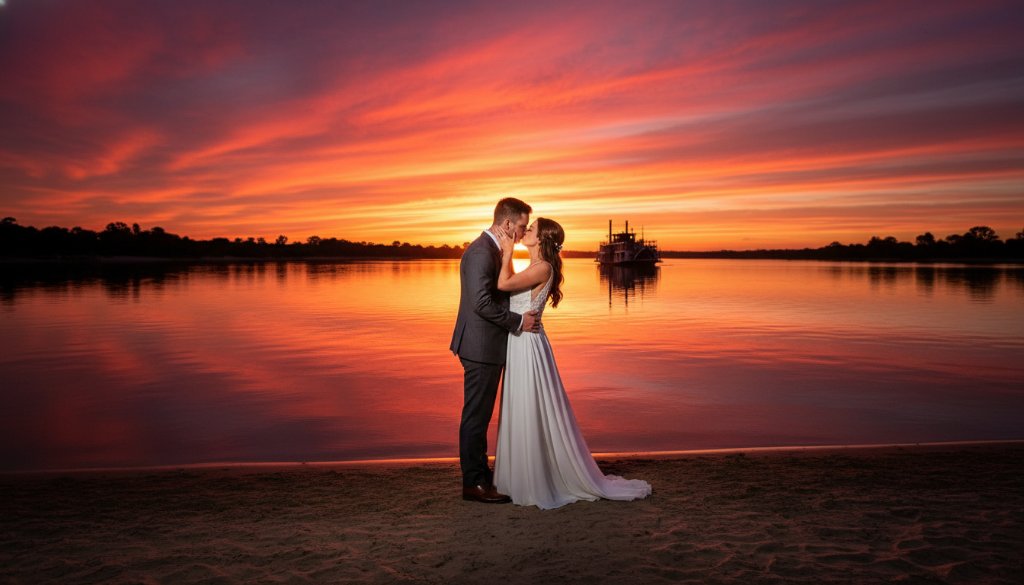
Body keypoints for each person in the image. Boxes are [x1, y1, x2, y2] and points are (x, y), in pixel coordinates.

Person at [492, 218, 652, 509]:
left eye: (531, 229)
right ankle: (523, 473)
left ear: (542, 240)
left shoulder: (543, 268)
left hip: (527, 344)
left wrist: (505, 251)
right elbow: (513, 292)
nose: (525, 232)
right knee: (524, 405)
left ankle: (536, 477)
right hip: (521, 340)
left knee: (530, 404)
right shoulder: (534, 267)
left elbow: (503, 284)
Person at [450, 197, 540, 503]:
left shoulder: (497, 250)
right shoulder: (480, 252)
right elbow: (481, 303)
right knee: (476, 415)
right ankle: (473, 483)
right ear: (506, 224)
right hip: (479, 346)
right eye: (521, 226)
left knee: (481, 413)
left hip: (486, 343)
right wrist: (519, 322)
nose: (522, 232)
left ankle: (482, 474)